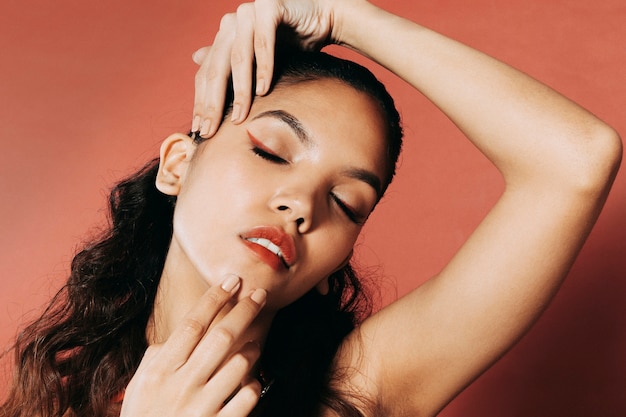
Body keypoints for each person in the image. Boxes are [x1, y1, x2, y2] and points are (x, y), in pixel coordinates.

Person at [1, 0, 621, 416]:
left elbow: (576, 161)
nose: (300, 204)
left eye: (348, 203)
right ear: (177, 164)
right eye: (273, 152)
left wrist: (342, 14)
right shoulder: (44, 398)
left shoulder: (353, 394)